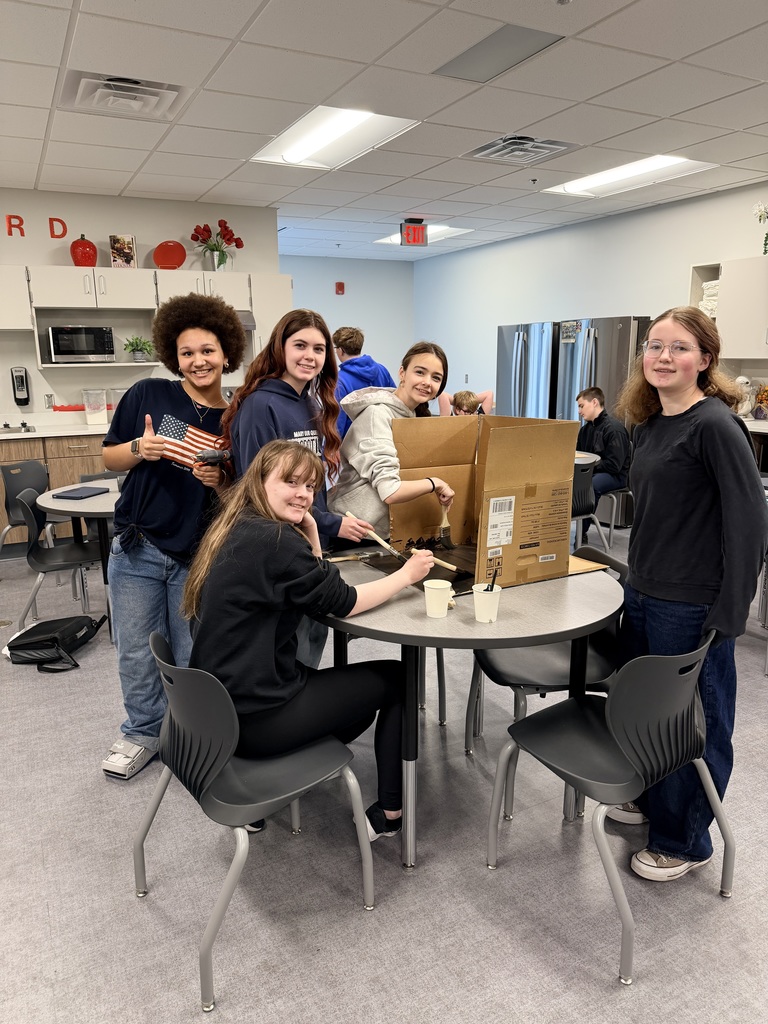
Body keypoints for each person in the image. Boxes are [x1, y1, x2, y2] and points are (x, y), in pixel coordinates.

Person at [184, 440, 435, 840]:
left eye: (310, 487)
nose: (303, 494)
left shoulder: (239, 524)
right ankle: (390, 814)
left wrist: (313, 532)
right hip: (254, 720)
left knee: (359, 702)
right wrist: (407, 575)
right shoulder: (275, 541)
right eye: (291, 482)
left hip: (219, 714)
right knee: (397, 679)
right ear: (260, 481)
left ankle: (294, 772)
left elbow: (314, 589)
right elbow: (341, 602)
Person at [613, 306, 768, 881]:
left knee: (695, 723)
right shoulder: (650, 423)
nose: (663, 357)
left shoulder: (715, 426)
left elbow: (750, 522)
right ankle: (656, 804)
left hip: (692, 601)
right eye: (654, 346)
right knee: (650, 715)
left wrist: (730, 610)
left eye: (679, 348)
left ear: (705, 360)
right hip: (646, 590)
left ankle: (685, 840)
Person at [101, 292, 247, 779]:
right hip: (137, 548)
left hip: (197, 555)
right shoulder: (149, 395)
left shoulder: (236, 418)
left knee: (190, 656)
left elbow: (241, 494)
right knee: (138, 651)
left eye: (207, 350)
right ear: (173, 356)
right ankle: (142, 732)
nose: (198, 361)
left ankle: (190, 737)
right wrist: (140, 447)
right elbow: (109, 458)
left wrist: (220, 482)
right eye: (187, 352)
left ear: (227, 352)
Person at [221, 308, 372, 668]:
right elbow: (261, 493)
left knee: (310, 642)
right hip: (275, 547)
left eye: (319, 349)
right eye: (300, 345)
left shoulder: (311, 401)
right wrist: (331, 524)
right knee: (291, 654)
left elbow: (306, 484)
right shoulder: (261, 405)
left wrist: (325, 520)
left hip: (307, 538)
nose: (310, 356)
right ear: (280, 347)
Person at [328, 342, 455, 539]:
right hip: (356, 532)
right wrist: (435, 483)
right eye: (420, 372)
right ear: (402, 373)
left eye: (436, 378)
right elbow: (390, 491)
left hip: (388, 533)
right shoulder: (376, 415)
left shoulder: (413, 417)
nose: (427, 382)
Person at [575, 386, 631, 543]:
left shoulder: (614, 429)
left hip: (616, 476)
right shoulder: (585, 430)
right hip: (593, 472)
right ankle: (565, 530)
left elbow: (614, 465)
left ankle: (581, 533)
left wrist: (588, 469)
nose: (579, 411)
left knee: (590, 485)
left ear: (594, 402)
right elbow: (580, 456)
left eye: (581, 406)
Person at [333, 326, 396, 438]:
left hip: (355, 446)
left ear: (340, 350)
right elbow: (396, 402)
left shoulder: (340, 381)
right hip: (385, 438)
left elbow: (338, 423)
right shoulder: (382, 370)